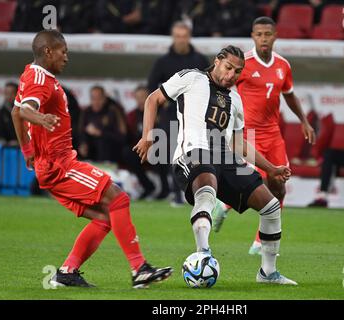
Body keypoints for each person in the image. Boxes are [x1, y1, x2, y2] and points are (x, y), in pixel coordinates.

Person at [10, 29, 172, 288]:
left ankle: (67, 272)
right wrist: (41, 119)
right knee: (118, 197)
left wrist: (28, 150)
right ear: (48, 51)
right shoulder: (39, 78)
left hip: (53, 164)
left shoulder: (33, 75)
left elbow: (16, 112)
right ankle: (139, 269)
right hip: (59, 164)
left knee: (106, 217)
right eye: (63, 51)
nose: (66, 57)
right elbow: (26, 111)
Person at [134, 45, 297, 285]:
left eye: (237, 72)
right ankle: (203, 254)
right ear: (217, 61)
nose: (232, 75)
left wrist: (271, 168)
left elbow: (239, 144)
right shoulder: (190, 77)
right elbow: (153, 99)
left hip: (225, 158)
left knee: (271, 206)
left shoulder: (235, 100)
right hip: (192, 152)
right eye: (229, 67)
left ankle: (268, 273)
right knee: (207, 188)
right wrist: (148, 135)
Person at [211, 17, 316, 255]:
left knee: (279, 188)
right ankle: (225, 204)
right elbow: (223, 85)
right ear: (253, 36)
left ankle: (259, 241)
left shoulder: (283, 65)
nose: (264, 39)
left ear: (275, 35)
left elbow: (289, 94)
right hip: (249, 135)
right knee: (257, 187)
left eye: (268, 34)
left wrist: (304, 121)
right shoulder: (243, 63)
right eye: (259, 34)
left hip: (273, 135)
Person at [147, 21, 209, 204]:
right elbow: (151, 86)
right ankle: (176, 193)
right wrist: (160, 106)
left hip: (196, 116)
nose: (181, 40)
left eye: (184, 36)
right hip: (171, 115)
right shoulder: (163, 62)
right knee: (173, 154)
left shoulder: (200, 60)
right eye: (178, 36)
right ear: (173, 37)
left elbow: (209, 84)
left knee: (197, 154)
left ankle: (198, 191)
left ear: (189, 37)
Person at [78, 86, 126, 163]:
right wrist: (83, 144)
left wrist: (100, 133)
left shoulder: (113, 110)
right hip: (92, 149)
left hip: (111, 149)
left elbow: (122, 137)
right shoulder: (86, 112)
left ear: (104, 99)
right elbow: (81, 132)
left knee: (102, 142)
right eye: (93, 98)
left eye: (99, 98)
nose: (96, 101)